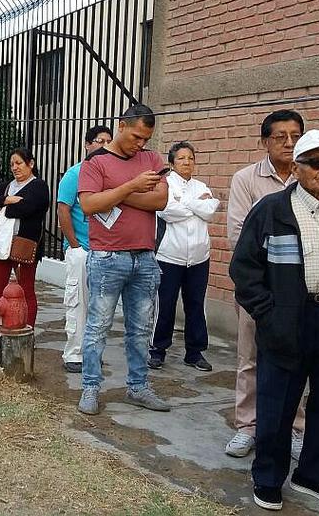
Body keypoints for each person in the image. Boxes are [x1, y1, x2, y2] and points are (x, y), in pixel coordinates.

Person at [230, 129, 319, 511]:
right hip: (287, 321)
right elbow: (244, 270)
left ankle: (316, 476)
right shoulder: (272, 210)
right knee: (277, 405)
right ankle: (268, 479)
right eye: (317, 162)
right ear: (297, 168)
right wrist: (269, 315)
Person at [76, 104, 169, 416]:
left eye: (145, 138)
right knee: (97, 326)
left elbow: (160, 199)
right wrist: (131, 186)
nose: (140, 144)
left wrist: (114, 193)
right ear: (121, 126)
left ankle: (138, 386)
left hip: (144, 257)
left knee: (141, 328)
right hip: (106, 257)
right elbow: (89, 204)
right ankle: (90, 387)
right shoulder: (96, 161)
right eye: (136, 136)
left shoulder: (153, 160)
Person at [225, 109, 308, 460]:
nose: (289, 143)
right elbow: (239, 236)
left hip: (301, 291)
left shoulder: (311, 175)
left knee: (298, 359)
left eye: (295, 136)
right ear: (264, 142)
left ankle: (296, 427)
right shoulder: (246, 179)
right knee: (250, 358)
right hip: (258, 288)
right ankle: (248, 427)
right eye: (280, 137)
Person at [149, 141, 220, 372]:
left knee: (196, 304)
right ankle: (157, 350)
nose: (187, 162)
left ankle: (195, 352)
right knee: (165, 304)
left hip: (199, 256)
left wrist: (185, 203)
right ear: (171, 163)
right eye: (181, 158)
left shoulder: (201, 185)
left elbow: (210, 211)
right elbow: (166, 211)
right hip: (170, 256)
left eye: (190, 158)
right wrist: (196, 204)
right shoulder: (165, 184)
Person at [0, 148, 50, 348]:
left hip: (24, 244)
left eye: (19, 163)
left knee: (26, 287)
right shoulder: (6, 187)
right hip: (1, 243)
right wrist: (8, 200)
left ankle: (27, 328)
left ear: (31, 163)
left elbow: (29, 207)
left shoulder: (39, 186)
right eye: (12, 164)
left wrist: (3, 207)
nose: (15, 167)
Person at [58, 125, 113, 373]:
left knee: (100, 307)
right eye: (99, 141)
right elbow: (63, 210)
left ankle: (93, 353)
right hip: (81, 251)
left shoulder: (111, 176)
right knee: (77, 304)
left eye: (108, 141)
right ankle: (74, 354)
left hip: (105, 252)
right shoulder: (75, 174)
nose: (104, 146)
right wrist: (76, 246)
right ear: (87, 144)